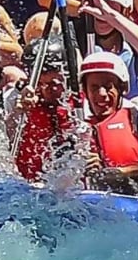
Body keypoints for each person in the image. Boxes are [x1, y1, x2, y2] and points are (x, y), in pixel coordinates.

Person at [78, 50, 138, 198]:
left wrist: (114, 173)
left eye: (108, 87)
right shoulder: (81, 130)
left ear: (122, 88)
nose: (102, 94)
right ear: (86, 92)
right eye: (94, 88)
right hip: (104, 208)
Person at [5, 37, 83, 182]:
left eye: (54, 83)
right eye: (41, 84)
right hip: (30, 187)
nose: (47, 91)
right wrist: (18, 112)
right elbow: (4, 140)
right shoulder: (18, 100)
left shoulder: (82, 103)